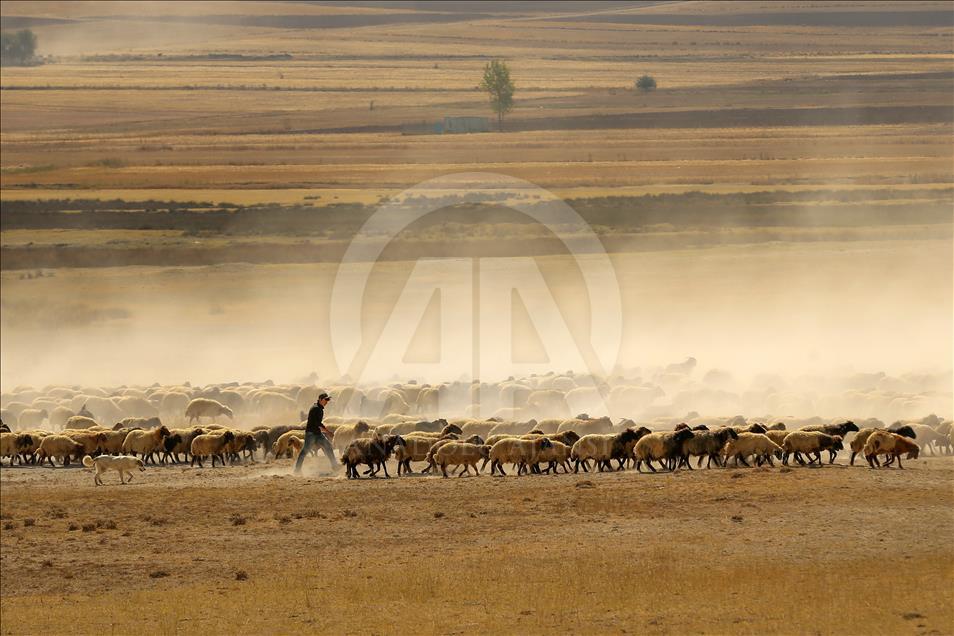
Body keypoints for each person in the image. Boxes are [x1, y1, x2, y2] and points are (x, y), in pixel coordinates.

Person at [294, 393, 338, 474]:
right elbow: (317, 423)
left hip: (317, 433)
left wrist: (325, 431)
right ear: (320, 399)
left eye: (328, 400)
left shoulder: (318, 408)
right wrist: (328, 432)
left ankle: (335, 466)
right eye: (326, 400)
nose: (327, 402)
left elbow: (317, 424)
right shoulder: (316, 409)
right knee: (305, 451)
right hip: (311, 434)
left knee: (328, 446)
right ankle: (297, 470)